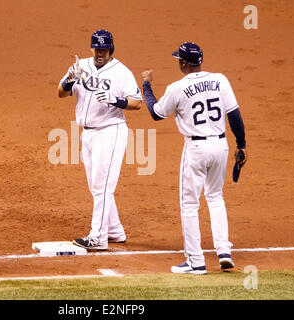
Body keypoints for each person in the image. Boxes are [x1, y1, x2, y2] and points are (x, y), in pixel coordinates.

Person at [141, 42, 247, 274]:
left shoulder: (176, 88)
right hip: (221, 146)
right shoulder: (221, 79)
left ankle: (195, 261)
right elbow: (234, 115)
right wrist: (242, 145)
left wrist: (146, 86)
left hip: (196, 150)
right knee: (216, 197)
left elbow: (156, 113)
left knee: (189, 204)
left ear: (183, 63)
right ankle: (223, 251)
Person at [58, 29, 142, 250]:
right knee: (97, 186)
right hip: (88, 133)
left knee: (103, 186)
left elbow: (137, 102)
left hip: (110, 131)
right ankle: (115, 231)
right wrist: (69, 79)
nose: (100, 53)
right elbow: (61, 92)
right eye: (96, 49)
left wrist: (116, 100)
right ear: (92, 48)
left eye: (104, 49)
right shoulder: (81, 66)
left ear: (111, 49)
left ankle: (98, 238)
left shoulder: (122, 72)